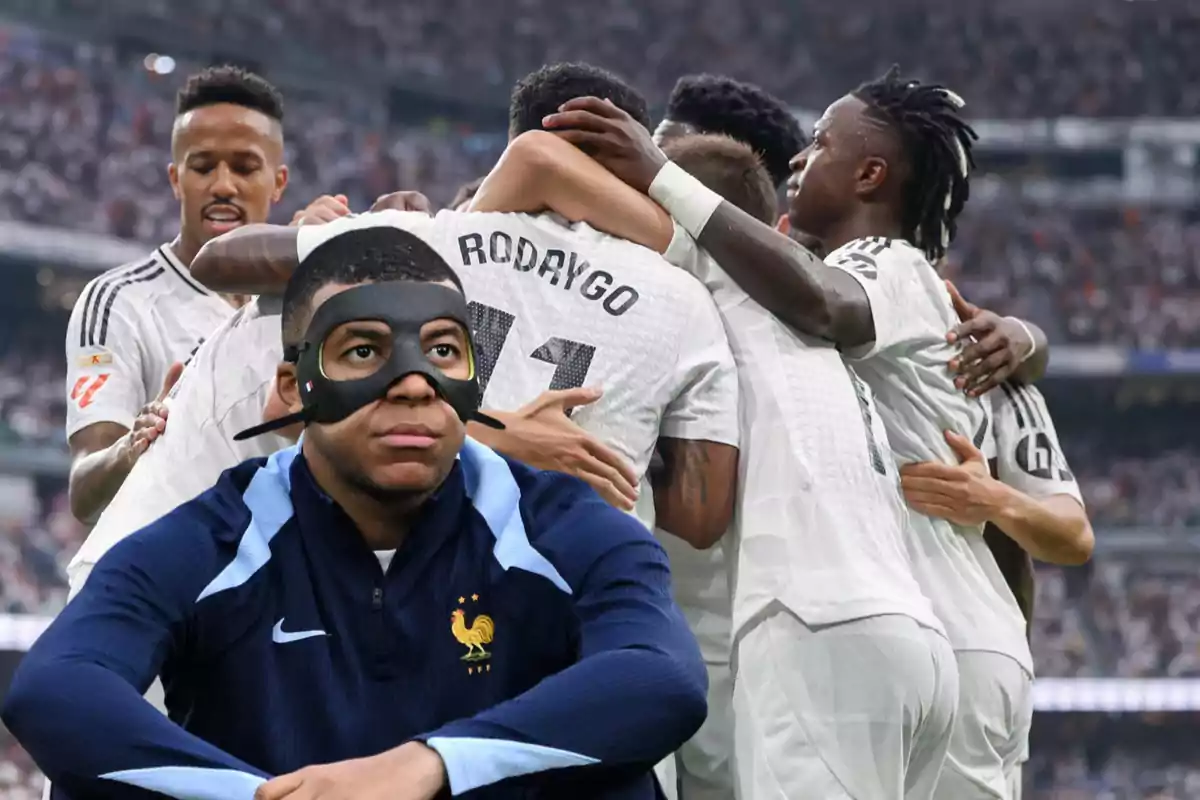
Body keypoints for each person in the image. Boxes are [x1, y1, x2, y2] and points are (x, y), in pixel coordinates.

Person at [5, 226, 708, 800]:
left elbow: (661, 675)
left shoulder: (561, 525)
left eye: (440, 351)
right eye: (365, 351)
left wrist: (429, 765)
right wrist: (263, 799)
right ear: (293, 386)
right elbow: (57, 687)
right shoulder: (216, 533)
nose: (411, 385)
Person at [539, 67, 1046, 799]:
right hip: (926, 630)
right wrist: (1033, 338)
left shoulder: (881, 270)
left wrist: (657, 175)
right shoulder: (820, 297)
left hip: (839, 620)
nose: (802, 160)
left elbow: (822, 300)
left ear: (872, 173)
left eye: (821, 143)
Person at [63, 65, 289, 524]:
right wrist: (134, 446)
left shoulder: (299, 309)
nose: (223, 185)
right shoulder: (118, 302)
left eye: (245, 167)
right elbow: (85, 493)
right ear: (175, 179)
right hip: (157, 589)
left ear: (278, 182)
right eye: (203, 167)